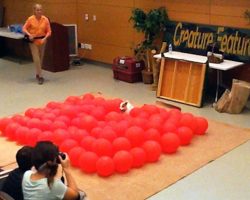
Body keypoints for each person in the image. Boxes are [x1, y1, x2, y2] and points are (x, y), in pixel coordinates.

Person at [22, 4, 51, 85]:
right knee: (36, 58)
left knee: (41, 58)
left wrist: (44, 38)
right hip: (33, 41)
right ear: (34, 11)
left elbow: (49, 31)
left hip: (42, 40)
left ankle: (38, 73)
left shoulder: (45, 19)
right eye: (37, 10)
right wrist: (29, 34)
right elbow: (24, 28)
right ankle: (40, 76)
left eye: (40, 10)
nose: (39, 11)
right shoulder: (30, 19)